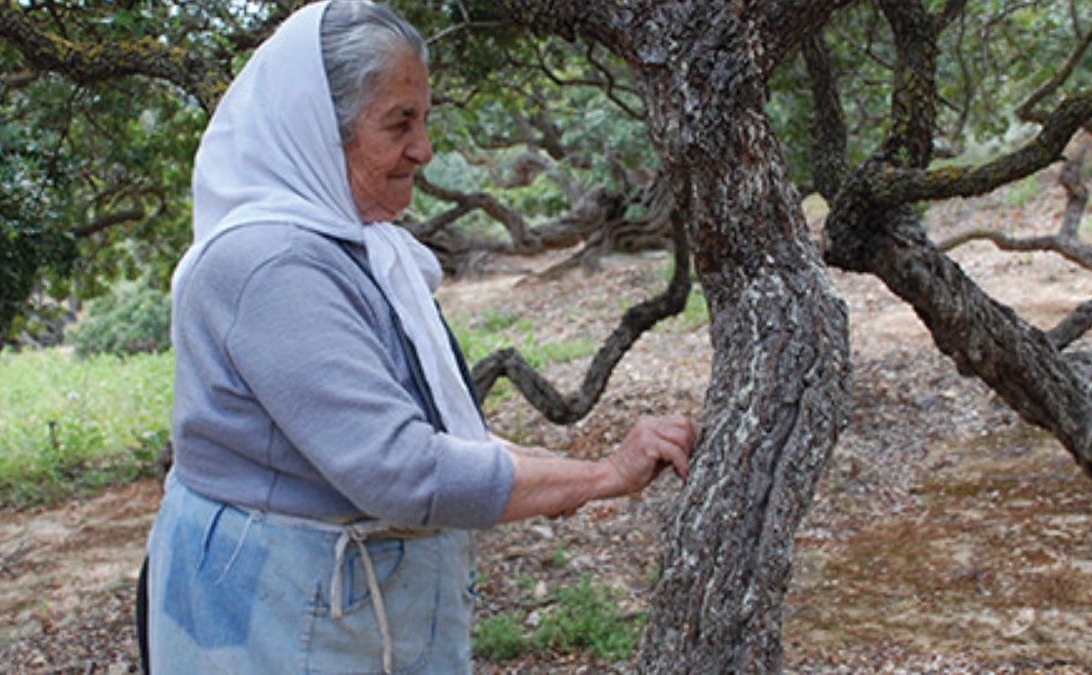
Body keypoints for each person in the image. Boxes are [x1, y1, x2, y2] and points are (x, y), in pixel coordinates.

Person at [143, 1, 695, 673]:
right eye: (399, 122)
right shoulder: (272, 266)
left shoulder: (357, 248)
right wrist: (603, 476)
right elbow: (401, 469)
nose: (424, 149)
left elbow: (437, 427)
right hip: (276, 616)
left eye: (424, 119)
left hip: (334, 611)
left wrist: (569, 472)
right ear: (320, 130)